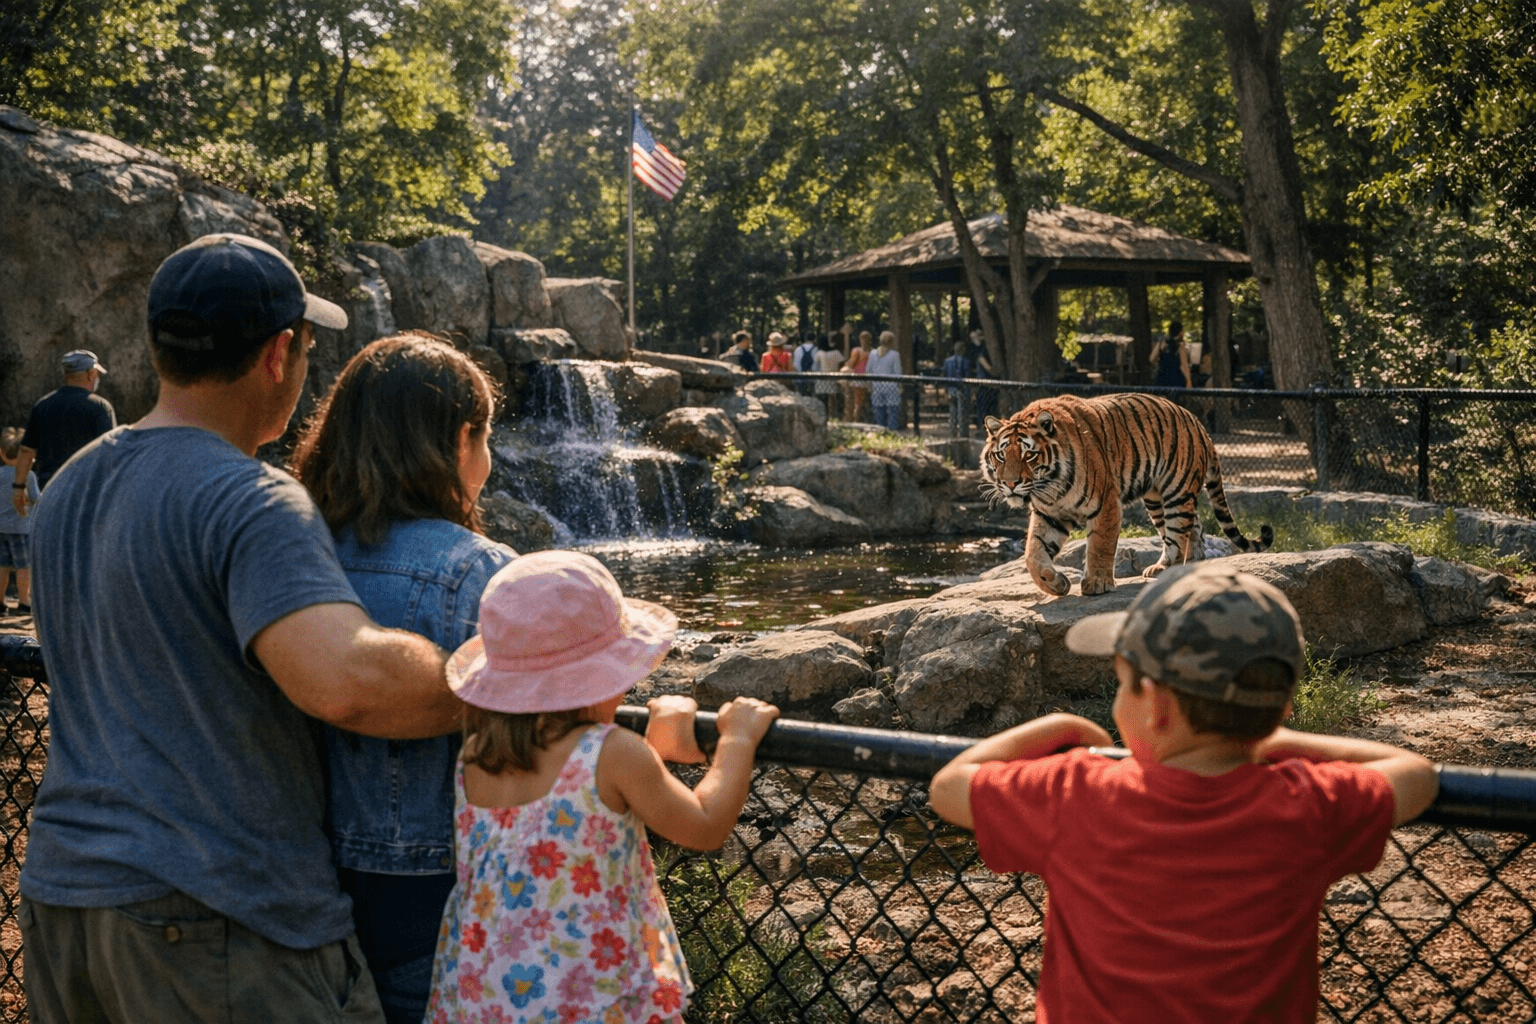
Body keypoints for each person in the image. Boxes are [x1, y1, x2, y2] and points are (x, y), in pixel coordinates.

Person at [20, 233, 469, 1024]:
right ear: (278, 355)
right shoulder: (250, 498)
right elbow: (349, 684)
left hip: (64, 904)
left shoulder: (73, 486)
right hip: (217, 918)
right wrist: (492, 679)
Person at [929, 563, 1439, 1024]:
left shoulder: (1075, 793)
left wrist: (1056, 726)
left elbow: (949, 787)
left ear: (1157, 707)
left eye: (1122, 685)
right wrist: (1276, 741)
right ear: (1281, 707)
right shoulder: (1308, 806)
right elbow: (1415, 774)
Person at [423, 550, 780, 1024]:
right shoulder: (611, 753)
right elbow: (705, 826)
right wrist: (737, 738)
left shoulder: (475, 758)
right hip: (593, 998)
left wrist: (656, 748)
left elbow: (587, 813)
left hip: (491, 995)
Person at [289, 333, 518, 1024]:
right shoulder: (478, 570)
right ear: (456, 440)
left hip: (307, 868)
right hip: (437, 881)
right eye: (484, 436)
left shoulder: (291, 547)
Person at [10, 349, 115, 513]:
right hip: (87, 492)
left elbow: (26, 450)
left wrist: (18, 487)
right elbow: (110, 453)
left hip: (50, 490)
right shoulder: (100, 407)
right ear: (91, 374)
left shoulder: (42, 406)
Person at [1, 427, 39, 617]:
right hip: (21, 529)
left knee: (2, 567)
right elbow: (36, 498)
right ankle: (24, 602)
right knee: (24, 567)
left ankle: (0, 602)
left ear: (1, 452)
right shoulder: (28, 476)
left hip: (0, 529)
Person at [941, 341, 974, 464]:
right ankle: (963, 433)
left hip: (951, 389)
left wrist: (946, 390)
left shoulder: (947, 361)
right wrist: (969, 391)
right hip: (962, 390)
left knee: (952, 411)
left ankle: (952, 431)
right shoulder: (966, 362)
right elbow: (967, 376)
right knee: (962, 412)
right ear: (963, 349)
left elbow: (945, 375)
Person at [865, 330, 904, 431]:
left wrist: (869, 384)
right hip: (891, 386)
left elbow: (868, 370)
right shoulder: (895, 355)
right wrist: (900, 385)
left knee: (878, 411)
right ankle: (893, 431)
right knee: (892, 411)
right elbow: (897, 372)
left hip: (876, 386)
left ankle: (880, 431)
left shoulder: (873, 353)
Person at [1152, 317, 1193, 390]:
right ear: (1180, 332)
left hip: (1161, 378)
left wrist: (1160, 363)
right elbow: (1184, 365)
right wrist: (1189, 381)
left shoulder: (1161, 344)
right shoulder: (1180, 347)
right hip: (1176, 379)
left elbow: (1151, 358)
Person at [841, 330, 872, 422]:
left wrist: (846, 366)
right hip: (865, 378)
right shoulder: (872, 352)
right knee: (859, 401)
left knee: (851, 400)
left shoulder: (856, 350)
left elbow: (851, 363)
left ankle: (850, 418)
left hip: (855, 377)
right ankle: (855, 418)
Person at [813, 333, 845, 417]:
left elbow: (815, 363)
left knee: (822, 397)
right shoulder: (836, 352)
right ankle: (832, 414)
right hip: (833, 377)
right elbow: (842, 363)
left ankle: (823, 414)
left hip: (822, 378)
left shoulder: (820, 353)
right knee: (832, 397)